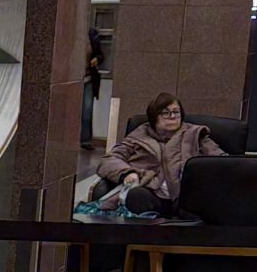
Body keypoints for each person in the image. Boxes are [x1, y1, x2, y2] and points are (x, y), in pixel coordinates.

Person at [94, 91, 222, 213]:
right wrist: (127, 173)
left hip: (186, 195)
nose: (172, 116)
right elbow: (109, 160)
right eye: (166, 113)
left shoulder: (195, 134)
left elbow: (221, 160)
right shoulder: (138, 136)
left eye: (176, 112)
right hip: (151, 193)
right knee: (137, 195)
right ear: (154, 116)